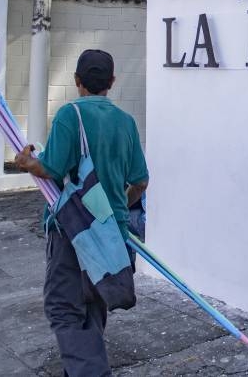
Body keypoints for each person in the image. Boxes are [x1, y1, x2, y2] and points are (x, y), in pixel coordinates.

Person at [15, 49, 149, 377]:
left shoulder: (69, 114)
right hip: (114, 235)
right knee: (92, 304)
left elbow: (52, 167)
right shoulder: (126, 122)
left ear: (77, 82)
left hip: (75, 232)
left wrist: (28, 163)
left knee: (63, 307)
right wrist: (114, 208)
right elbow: (141, 182)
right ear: (112, 82)